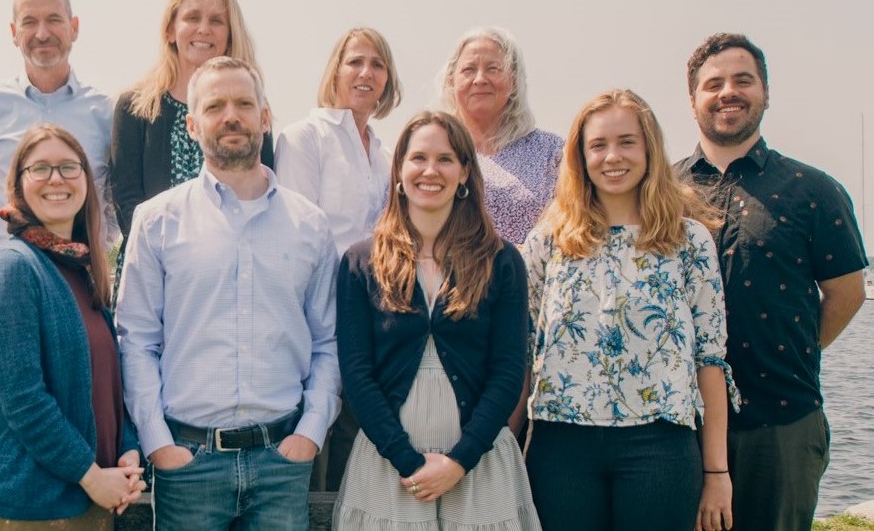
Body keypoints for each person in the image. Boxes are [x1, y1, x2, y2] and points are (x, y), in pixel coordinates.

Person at [118, 57, 339, 530]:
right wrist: (158, 442)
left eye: (243, 103)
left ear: (265, 116)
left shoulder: (311, 226)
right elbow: (136, 341)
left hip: (283, 460)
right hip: (189, 462)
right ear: (194, 125)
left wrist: (310, 432)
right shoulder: (157, 221)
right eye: (215, 106)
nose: (231, 116)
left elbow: (329, 342)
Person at [674, 34, 865, 531]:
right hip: (678, 424)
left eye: (743, 80)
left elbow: (847, 294)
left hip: (781, 422)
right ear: (692, 99)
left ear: (764, 92)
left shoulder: (814, 190)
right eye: (712, 84)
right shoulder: (663, 192)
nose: (727, 92)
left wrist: (797, 351)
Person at [525, 89, 735, 530]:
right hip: (561, 444)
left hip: (659, 446)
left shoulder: (689, 240)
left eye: (626, 142)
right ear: (580, 157)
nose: (612, 157)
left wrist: (717, 473)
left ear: (649, 150)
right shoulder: (550, 240)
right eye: (597, 145)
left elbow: (710, 361)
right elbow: (523, 351)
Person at [334, 110, 539, 530]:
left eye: (446, 159)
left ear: (465, 172)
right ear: (400, 170)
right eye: (419, 158)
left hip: (476, 459)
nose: (431, 170)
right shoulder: (361, 261)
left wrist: (458, 462)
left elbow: (507, 372)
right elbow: (356, 374)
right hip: (389, 461)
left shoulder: (501, 261)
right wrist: (408, 461)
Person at [0, 124, 144, 529]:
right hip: (32, 509)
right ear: (17, 183)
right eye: (41, 168)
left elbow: (107, 385)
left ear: (87, 179)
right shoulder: (10, 267)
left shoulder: (84, 273)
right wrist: (90, 475)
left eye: (69, 167)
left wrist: (128, 451)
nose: (56, 179)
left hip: (95, 502)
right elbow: (23, 399)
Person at [276, 27, 403, 490]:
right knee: (312, 445)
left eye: (378, 64)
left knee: (356, 446)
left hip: (374, 318)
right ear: (335, 70)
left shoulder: (387, 154)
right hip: (317, 315)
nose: (366, 72)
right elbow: (295, 237)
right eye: (355, 61)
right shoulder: (304, 138)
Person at [109, 0, 273, 239]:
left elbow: (264, 188)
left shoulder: (251, 109)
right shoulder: (135, 107)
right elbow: (127, 200)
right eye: (193, 18)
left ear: (230, 34)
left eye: (216, 21)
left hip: (236, 258)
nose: (204, 29)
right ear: (170, 30)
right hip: (153, 259)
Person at [0, 0, 116, 248]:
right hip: (3, 272)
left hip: (80, 278)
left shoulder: (105, 113)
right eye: (29, 22)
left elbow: (112, 209)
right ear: (13, 32)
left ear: (74, 28)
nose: (42, 33)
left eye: (53, 19)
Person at [435, 27, 562, 244]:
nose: (480, 79)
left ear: (513, 80)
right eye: (468, 70)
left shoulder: (553, 152)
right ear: (451, 81)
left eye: (493, 69)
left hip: (526, 276)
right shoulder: (429, 151)